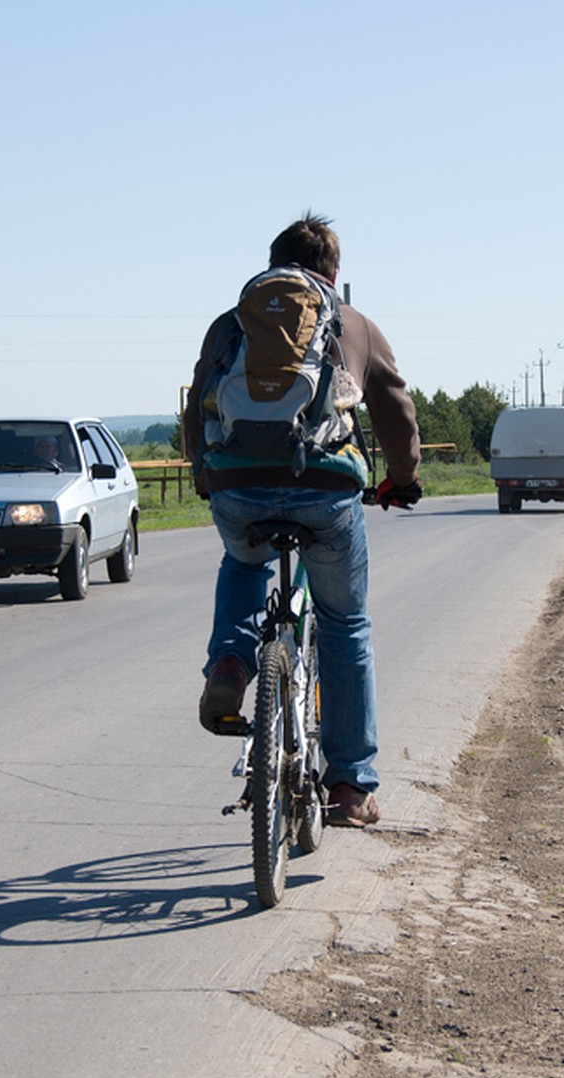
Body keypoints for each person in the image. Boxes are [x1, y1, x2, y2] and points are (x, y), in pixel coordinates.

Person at [184, 213, 422, 828]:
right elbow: (394, 408)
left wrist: (205, 471)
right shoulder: (351, 324)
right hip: (325, 489)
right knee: (345, 624)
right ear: (335, 274)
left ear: (272, 263)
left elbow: (197, 400)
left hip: (237, 484)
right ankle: (349, 788)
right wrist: (403, 476)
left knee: (243, 560)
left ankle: (233, 663)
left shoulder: (233, 322)